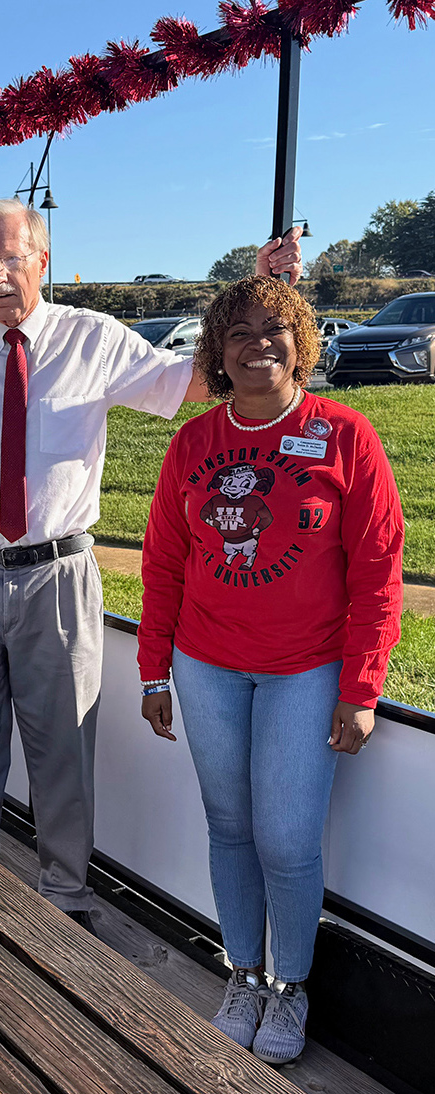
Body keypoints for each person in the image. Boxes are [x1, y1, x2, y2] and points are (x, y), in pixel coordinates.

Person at [0, 198, 303, 935]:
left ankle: (64, 901)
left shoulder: (93, 338)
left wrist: (260, 295)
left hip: (57, 575)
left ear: (42, 260)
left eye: (11, 258)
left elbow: (199, 382)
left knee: (63, 750)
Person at [138, 275, 403, 1064]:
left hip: (305, 669)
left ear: (301, 343)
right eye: (239, 332)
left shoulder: (345, 435)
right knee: (229, 827)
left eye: (274, 330)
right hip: (206, 665)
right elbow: (164, 565)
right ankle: (243, 975)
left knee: (286, 840)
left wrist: (361, 687)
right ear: (218, 353)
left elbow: (378, 572)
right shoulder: (193, 444)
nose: (258, 344)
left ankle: (290, 986)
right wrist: (153, 672)